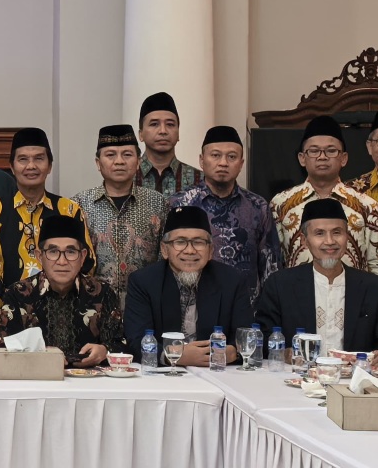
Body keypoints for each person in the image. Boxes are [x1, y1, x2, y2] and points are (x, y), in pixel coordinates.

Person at [255, 199, 378, 369]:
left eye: (337, 232)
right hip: (296, 376)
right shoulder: (280, 285)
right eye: (319, 233)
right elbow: (264, 334)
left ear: (347, 237)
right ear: (304, 240)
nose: (330, 241)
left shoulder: (374, 287)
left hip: (355, 379)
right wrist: (285, 353)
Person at [0, 127, 93, 325]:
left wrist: (55, 303)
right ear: (12, 166)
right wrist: (14, 304)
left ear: (49, 165)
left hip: (61, 319)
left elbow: (87, 263)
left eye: (39, 158)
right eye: (23, 159)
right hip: (6, 320)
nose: (31, 166)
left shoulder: (69, 210)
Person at [124, 206, 251, 366]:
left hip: (217, 370)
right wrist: (174, 355)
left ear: (210, 250)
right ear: (164, 250)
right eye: (180, 242)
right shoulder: (143, 281)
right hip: (163, 374)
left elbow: (245, 335)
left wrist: (234, 352)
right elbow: (136, 340)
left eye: (198, 242)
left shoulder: (232, 280)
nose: (190, 250)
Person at [170, 126, 283, 304]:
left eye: (231, 157)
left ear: (241, 163)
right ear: (201, 160)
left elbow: (271, 266)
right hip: (192, 306)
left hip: (245, 308)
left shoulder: (257, 206)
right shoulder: (179, 203)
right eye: (215, 155)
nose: (223, 163)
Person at [273, 114, 378, 282]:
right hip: (296, 294)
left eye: (331, 151)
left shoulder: (366, 206)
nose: (322, 157)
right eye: (314, 151)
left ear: (343, 158)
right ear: (302, 158)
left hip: (354, 295)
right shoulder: (280, 204)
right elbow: (273, 262)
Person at [0, 213, 120, 366]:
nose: (62, 261)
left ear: (83, 257)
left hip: (91, 378)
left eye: (71, 252)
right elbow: (2, 349)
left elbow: (121, 344)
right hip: (35, 377)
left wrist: (105, 351)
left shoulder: (102, 293)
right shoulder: (17, 294)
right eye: (53, 252)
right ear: (39, 256)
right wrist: (40, 354)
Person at [74, 124, 167, 309]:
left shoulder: (158, 203)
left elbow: (164, 258)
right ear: (98, 163)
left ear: (138, 161)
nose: (119, 161)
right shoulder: (79, 204)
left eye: (127, 154)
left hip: (145, 306)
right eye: (110, 155)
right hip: (92, 308)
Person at [136, 92, 203, 196]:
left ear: (178, 133)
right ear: (141, 134)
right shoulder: (126, 177)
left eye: (170, 124)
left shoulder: (199, 180)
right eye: (154, 124)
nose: (163, 131)